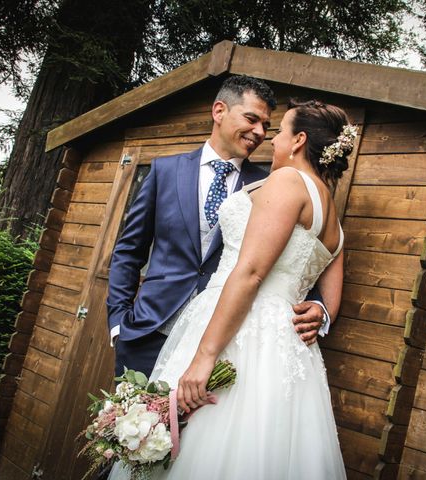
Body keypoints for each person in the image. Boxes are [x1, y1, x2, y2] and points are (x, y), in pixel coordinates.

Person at [110, 99, 351, 479]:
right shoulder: (332, 215)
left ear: (300, 140)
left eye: (281, 131)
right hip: (285, 350)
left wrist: (205, 356)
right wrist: (321, 313)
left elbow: (251, 271)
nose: (272, 140)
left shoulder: (286, 181)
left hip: (236, 335)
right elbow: (330, 301)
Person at [107, 76, 330, 379]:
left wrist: (318, 305)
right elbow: (129, 251)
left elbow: (292, 254)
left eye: (266, 125)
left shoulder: (270, 185)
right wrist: (119, 323)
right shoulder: (164, 172)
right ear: (219, 111)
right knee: (130, 426)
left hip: (223, 344)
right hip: (148, 333)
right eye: (252, 119)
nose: (260, 132)